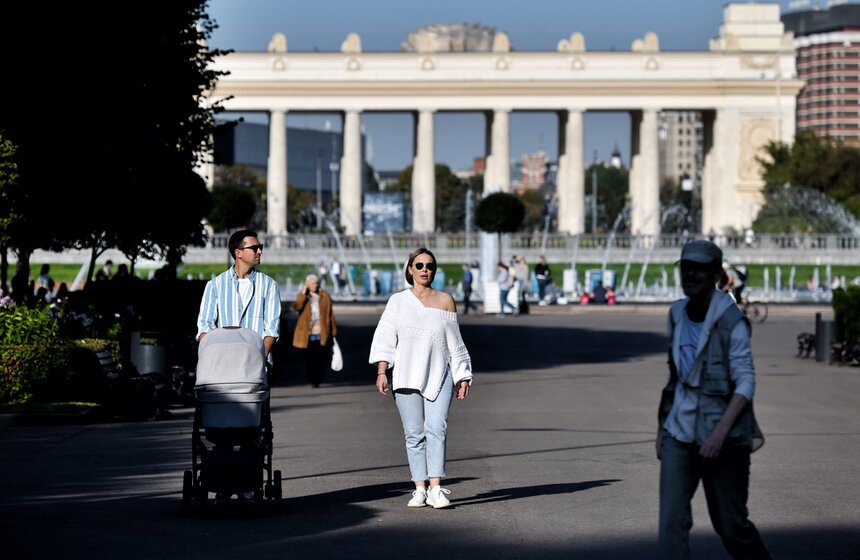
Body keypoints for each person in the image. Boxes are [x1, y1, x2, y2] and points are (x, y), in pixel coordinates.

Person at [657, 239, 771, 560]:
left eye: (699, 269)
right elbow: (674, 377)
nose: (691, 273)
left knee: (731, 526)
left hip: (724, 438)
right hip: (680, 435)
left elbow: (746, 381)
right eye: (686, 267)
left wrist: (719, 432)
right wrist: (661, 430)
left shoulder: (733, 322)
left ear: (715, 275)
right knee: (671, 526)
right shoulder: (676, 313)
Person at [369, 247, 473, 509]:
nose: (424, 270)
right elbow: (385, 338)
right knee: (414, 434)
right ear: (410, 270)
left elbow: (455, 342)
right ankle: (419, 488)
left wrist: (463, 375)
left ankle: (436, 488)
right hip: (405, 374)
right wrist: (382, 370)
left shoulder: (446, 300)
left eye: (429, 265)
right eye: (419, 265)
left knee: (436, 428)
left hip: (440, 374)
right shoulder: (398, 301)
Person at [195, 229, 282, 505]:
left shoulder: (268, 286)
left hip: (254, 371)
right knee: (220, 429)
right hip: (221, 371)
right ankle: (221, 483)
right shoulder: (216, 286)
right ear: (238, 252)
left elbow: (271, 329)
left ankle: (247, 484)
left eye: (260, 247)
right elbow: (204, 328)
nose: (260, 251)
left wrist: (257, 359)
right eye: (255, 247)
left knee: (252, 430)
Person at [292, 273, 337, 388]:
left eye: (316, 283)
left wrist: (334, 331)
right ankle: (312, 379)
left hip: (321, 333)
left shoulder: (324, 295)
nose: (315, 285)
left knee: (321, 359)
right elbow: (296, 307)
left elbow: (330, 314)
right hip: (308, 334)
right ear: (307, 284)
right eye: (312, 283)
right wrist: (303, 293)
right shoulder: (303, 296)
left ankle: (318, 379)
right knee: (309, 359)